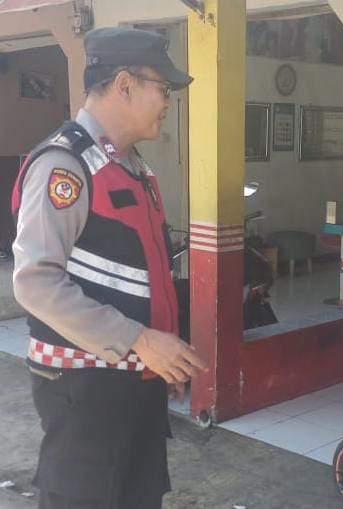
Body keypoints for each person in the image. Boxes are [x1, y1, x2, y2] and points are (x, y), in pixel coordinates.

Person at [11, 27, 207, 509]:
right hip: (84, 390)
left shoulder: (131, 166)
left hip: (134, 383)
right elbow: (35, 283)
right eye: (162, 89)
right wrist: (142, 340)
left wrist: (159, 352)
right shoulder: (65, 165)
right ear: (124, 84)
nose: (168, 102)